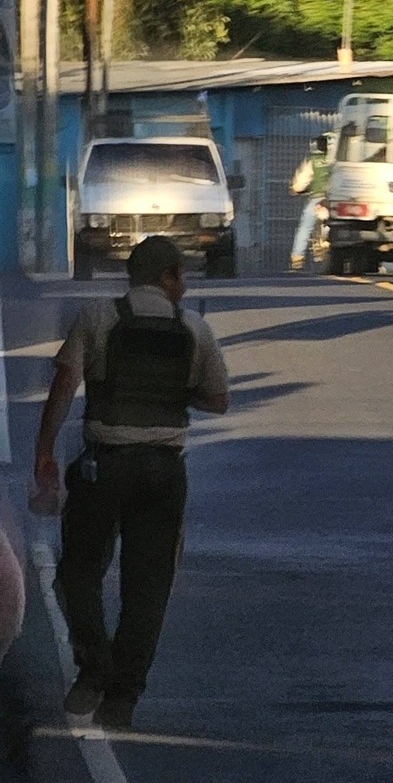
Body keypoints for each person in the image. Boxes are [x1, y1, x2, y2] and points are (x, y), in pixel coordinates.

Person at [32, 236, 230, 730]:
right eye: (180, 276)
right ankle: (123, 696)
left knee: (77, 574)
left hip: (104, 468)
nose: (183, 286)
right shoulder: (194, 327)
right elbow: (218, 400)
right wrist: (177, 394)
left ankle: (94, 669)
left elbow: (63, 388)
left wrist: (45, 456)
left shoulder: (99, 318)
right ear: (168, 277)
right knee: (148, 588)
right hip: (163, 473)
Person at [289, 134, 331, 271]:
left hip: (316, 198)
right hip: (331, 200)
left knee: (305, 227)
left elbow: (301, 182)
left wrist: (295, 189)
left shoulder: (312, 161)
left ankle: (297, 257)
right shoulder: (333, 160)